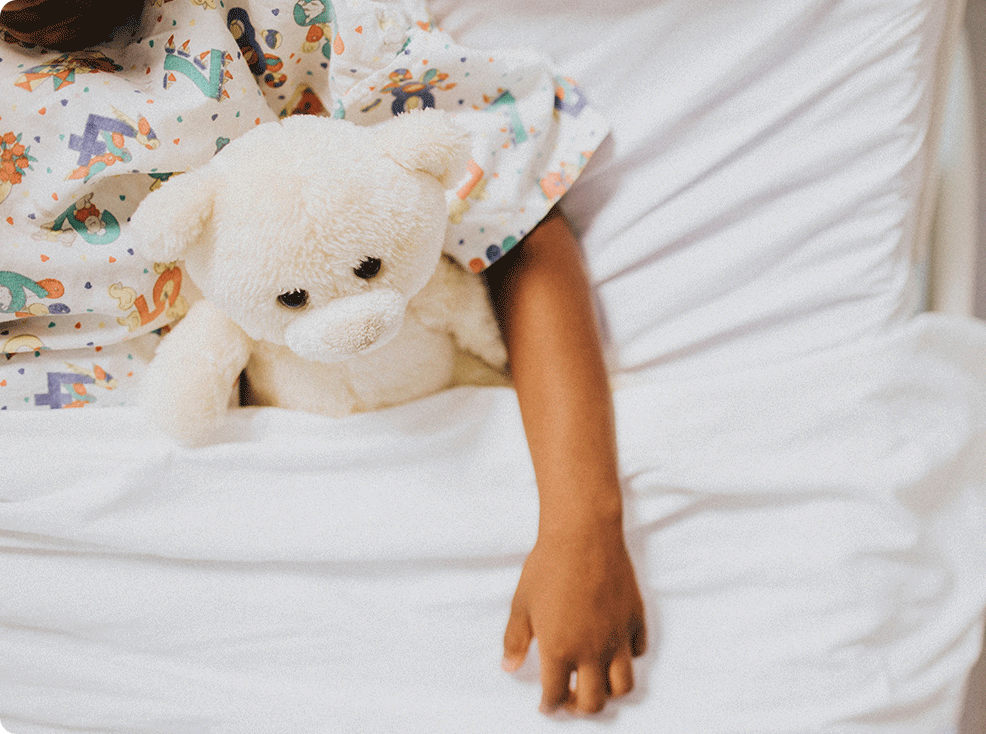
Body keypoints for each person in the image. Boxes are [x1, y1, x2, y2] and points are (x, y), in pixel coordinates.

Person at [0, 0, 644, 716]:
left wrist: (583, 525)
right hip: (89, 521)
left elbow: (513, 218)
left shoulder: (273, 21)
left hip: (394, 471)